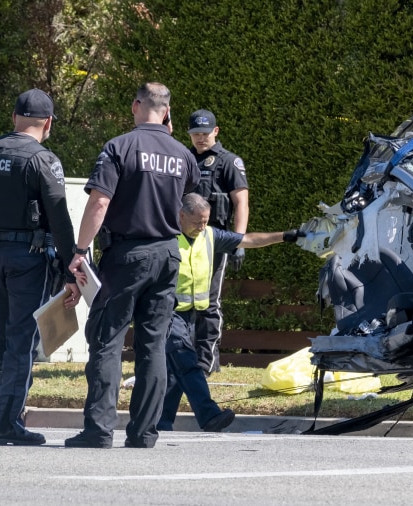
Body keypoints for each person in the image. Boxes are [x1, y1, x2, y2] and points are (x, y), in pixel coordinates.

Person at [64, 82, 199, 449]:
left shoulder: (119, 146)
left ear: (136, 105)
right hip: (168, 254)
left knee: (107, 340)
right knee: (153, 345)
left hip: (127, 256)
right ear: (167, 111)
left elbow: (99, 204)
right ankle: (144, 433)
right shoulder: (182, 154)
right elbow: (187, 197)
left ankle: (99, 430)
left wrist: (80, 250)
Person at [0, 88, 82, 446]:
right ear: (49, 123)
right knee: (21, 342)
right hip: (28, 258)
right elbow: (60, 219)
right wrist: (72, 270)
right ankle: (6, 423)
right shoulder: (43, 160)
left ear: (13, 118)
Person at [157, 193, 305, 432]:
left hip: (191, 316)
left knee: (176, 371)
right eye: (197, 222)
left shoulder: (210, 235)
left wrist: (286, 236)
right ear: (181, 216)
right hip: (167, 313)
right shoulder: (165, 238)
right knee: (187, 362)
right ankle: (209, 415)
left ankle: (160, 422)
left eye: (206, 221)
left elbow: (249, 240)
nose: (202, 227)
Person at [187, 109, 249, 376]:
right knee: (182, 301)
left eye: (205, 133)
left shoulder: (228, 162)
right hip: (184, 241)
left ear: (216, 131)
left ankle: (207, 360)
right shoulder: (184, 159)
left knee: (210, 302)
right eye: (195, 134)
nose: (200, 139)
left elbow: (241, 203)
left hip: (215, 241)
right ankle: (184, 358)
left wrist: (239, 243)